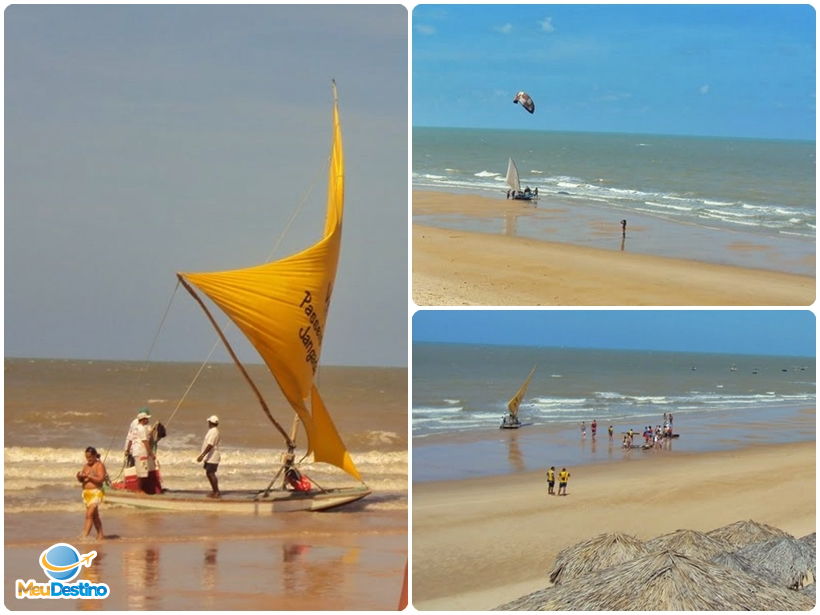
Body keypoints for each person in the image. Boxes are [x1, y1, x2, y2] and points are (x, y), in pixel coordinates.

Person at [76, 446, 106, 540]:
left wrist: (90, 477)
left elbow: (101, 479)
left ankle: (84, 536)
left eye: (90, 458)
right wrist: (79, 477)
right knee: (94, 516)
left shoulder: (99, 465)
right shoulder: (86, 466)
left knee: (89, 515)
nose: (88, 460)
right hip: (86, 493)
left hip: (96, 492)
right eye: (87, 458)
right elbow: (82, 480)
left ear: (94, 456)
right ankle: (100, 534)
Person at [197, 415, 221, 498]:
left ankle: (216, 491)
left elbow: (210, 445)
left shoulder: (214, 432)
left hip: (213, 456)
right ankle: (214, 491)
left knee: (211, 473)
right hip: (210, 456)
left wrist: (202, 455)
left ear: (210, 423)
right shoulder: (212, 431)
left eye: (209, 422)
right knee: (209, 473)